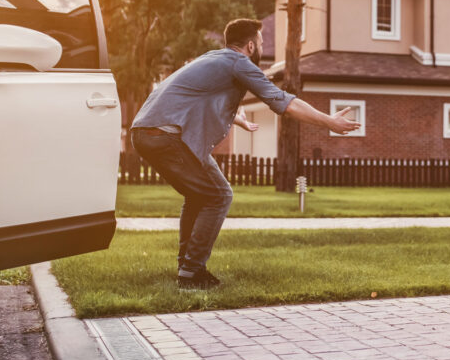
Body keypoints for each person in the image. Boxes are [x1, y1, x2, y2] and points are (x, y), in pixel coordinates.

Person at [130, 18, 360, 290]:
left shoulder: (212, 58)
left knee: (199, 195)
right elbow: (282, 101)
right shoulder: (240, 63)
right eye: (261, 43)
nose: (262, 47)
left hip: (145, 132)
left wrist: (237, 120)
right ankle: (191, 273)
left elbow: (194, 96)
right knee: (219, 195)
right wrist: (328, 121)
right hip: (167, 135)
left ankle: (189, 267)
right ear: (251, 45)